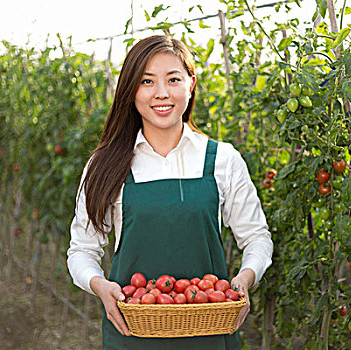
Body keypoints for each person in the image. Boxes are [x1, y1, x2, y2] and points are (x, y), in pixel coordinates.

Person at [67, 35, 273, 350]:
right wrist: (100, 286)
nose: (162, 93)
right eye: (147, 81)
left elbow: (257, 238)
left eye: (173, 79)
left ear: (191, 84)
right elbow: (82, 250)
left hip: (210, 331)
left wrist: (245, 280)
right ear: (131, 91)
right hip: (132, 332)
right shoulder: (105, 165)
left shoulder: (222, 160)